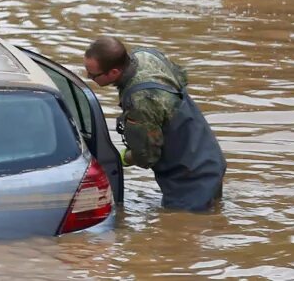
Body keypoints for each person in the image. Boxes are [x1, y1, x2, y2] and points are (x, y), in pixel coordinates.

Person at [84, 36, 225, 212]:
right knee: (213, 216)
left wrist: (122, 158)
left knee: (184, 230)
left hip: (189, 178)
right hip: (209, 157)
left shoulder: (140, 101)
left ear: (113, 72)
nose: (88, 76)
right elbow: (182, 77)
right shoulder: (145, 55)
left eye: (92, 74)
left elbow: (147, 156)